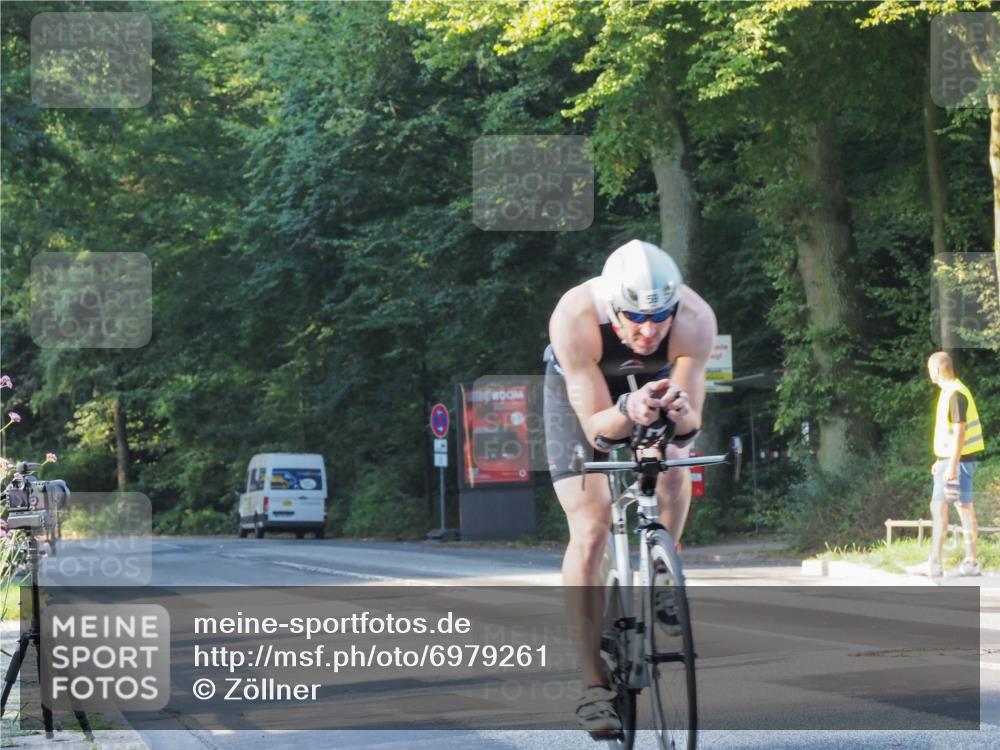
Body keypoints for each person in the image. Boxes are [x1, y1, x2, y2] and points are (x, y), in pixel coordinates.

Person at [542, 239, 716, 733]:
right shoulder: (575, 316)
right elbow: (597, 429)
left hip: (655, 385)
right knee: (592, 525)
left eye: (660, 316)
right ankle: (593, 685)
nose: (648, 329)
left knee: (677, 466)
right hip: (585, 396)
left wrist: (678, 418)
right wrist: (625, 410)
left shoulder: (696, 319)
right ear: (613, 308)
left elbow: (690, 423)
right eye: (635, 319)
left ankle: (662, 569)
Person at [908, 352, 986, 578]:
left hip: (957, 463)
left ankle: (935, 563)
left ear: (938, 370)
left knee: (943, 508)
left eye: (930, 369)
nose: (929, 373)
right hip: (955, 460)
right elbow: (952, 433)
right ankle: (969, 563)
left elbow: (961, 431)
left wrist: (950, 466)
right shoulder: (953, 392)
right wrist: (941, 459)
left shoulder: (954, 394)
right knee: (962, 508)